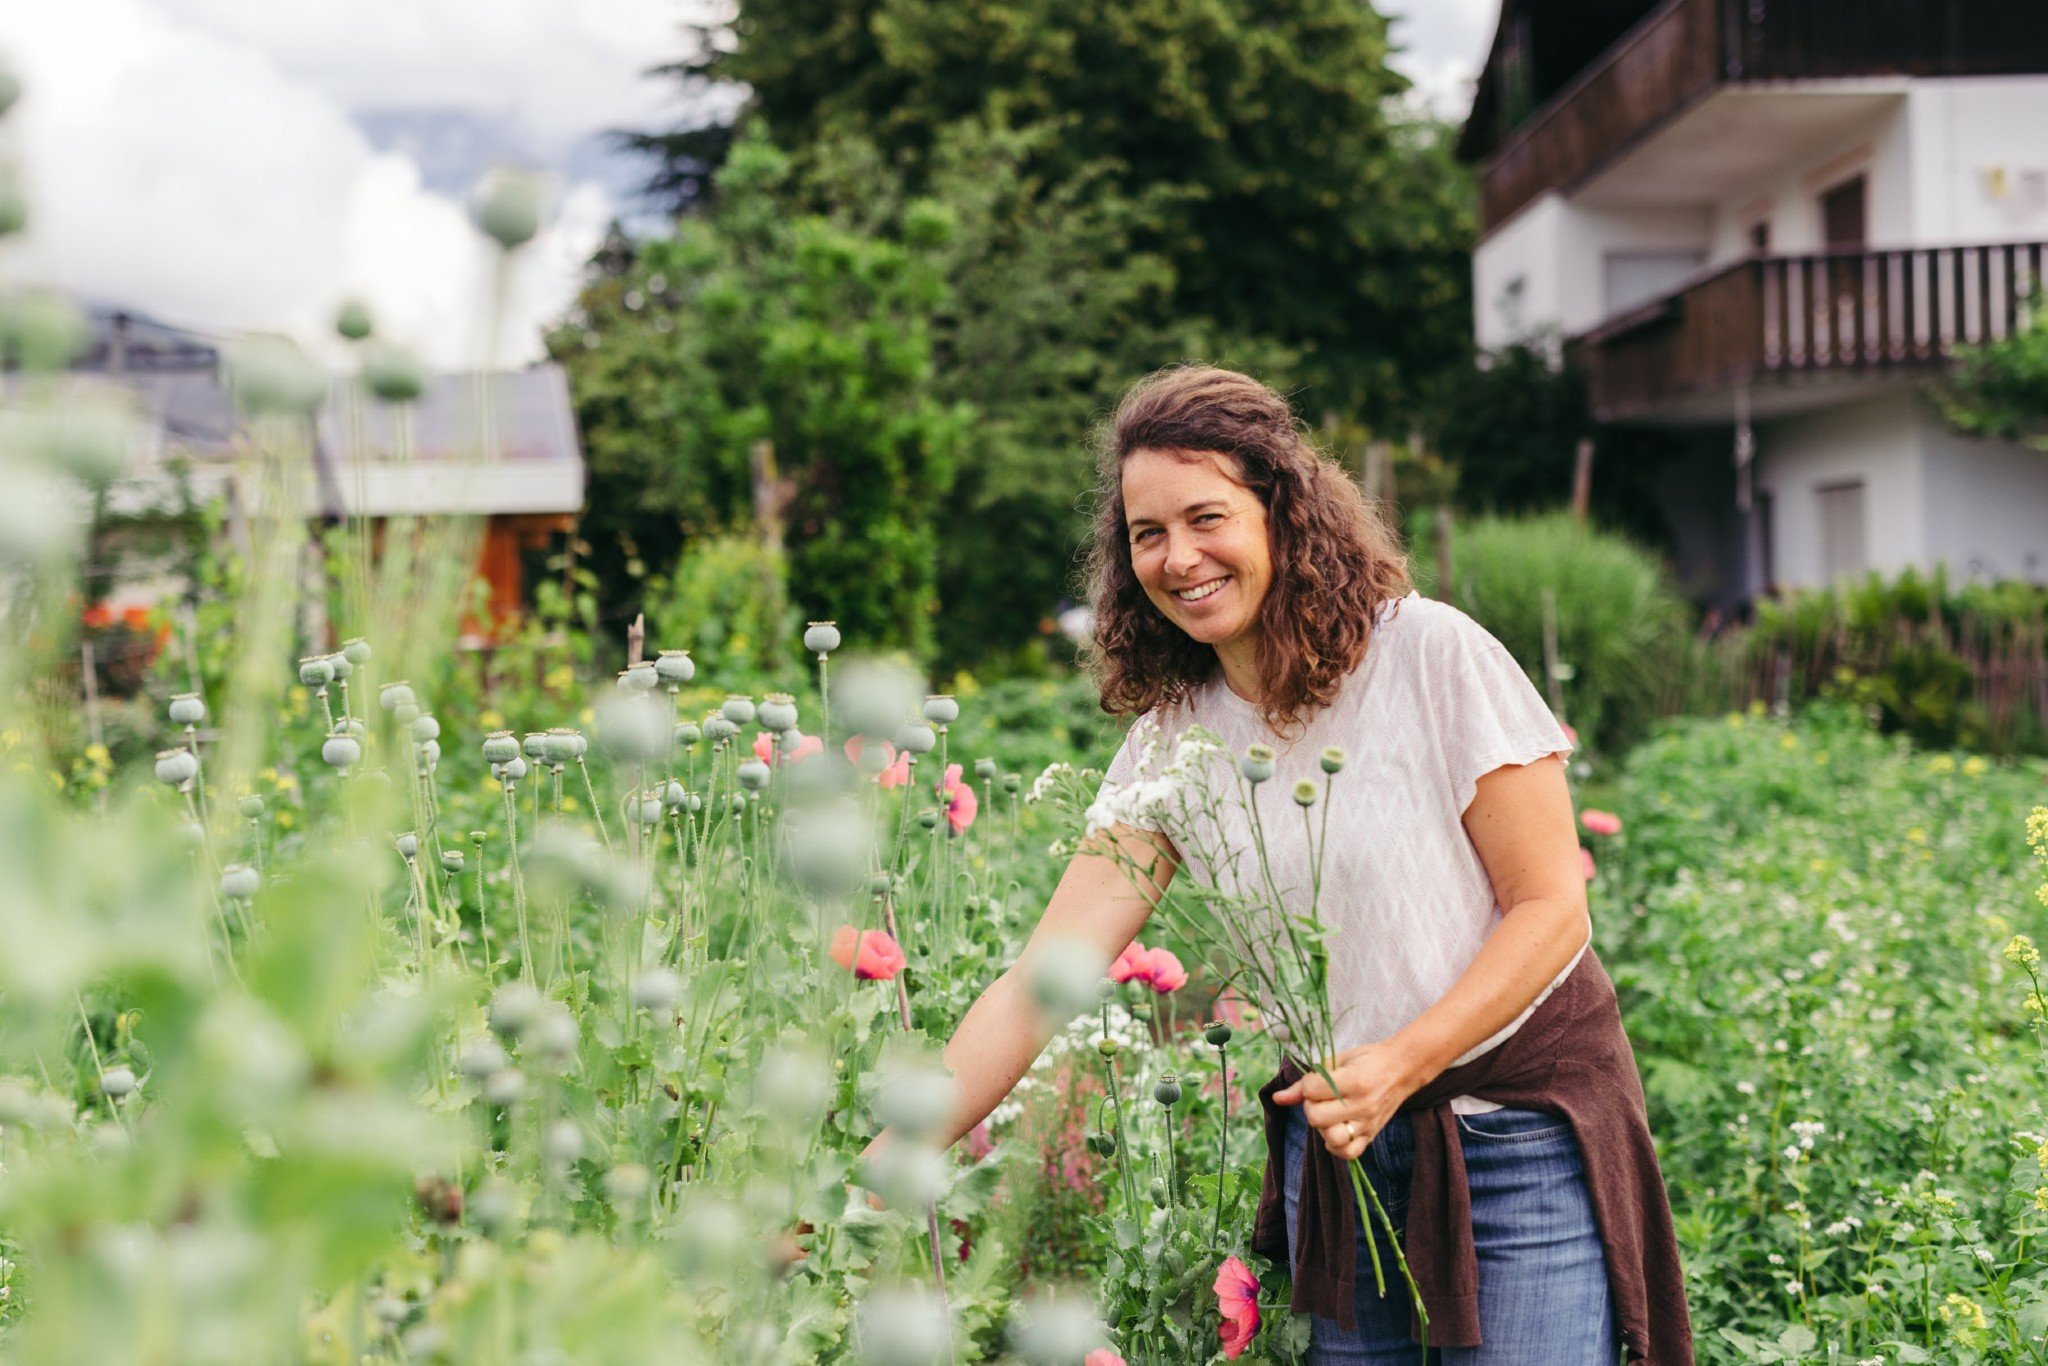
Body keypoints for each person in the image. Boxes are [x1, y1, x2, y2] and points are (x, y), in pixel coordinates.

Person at [865, 366, 1690, 1364]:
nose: (1178, 557)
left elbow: (1551, 910)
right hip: (1340, 1149)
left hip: (1510, 1131)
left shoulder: (1429, 656)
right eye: (1146, 534)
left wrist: (1402, 1059)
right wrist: (873, 1168)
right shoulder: (1172, 744)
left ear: (1282, 510)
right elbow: (1041, 981)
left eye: (1205, 516)